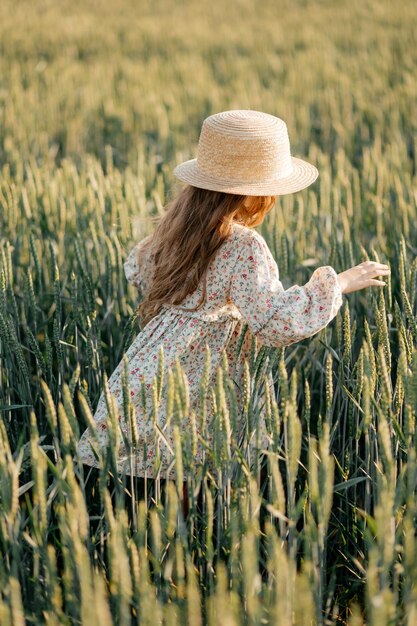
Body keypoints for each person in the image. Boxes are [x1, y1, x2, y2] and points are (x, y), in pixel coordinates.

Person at [75, 109, 390, 513]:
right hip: (205, 386)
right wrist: (338, 283)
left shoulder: (173, 230)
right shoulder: (244, 246)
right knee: (193, 483)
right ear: (257, 194)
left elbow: (142, 272)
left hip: (147, 373)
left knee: (145, 487)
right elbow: (275, 321)